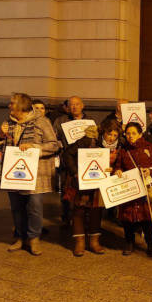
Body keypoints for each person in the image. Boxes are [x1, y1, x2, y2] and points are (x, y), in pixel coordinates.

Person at [0, 93, 58, 256]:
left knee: (34, 207)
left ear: (21, 106)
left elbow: (54, 145)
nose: (9, 106)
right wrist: (0, 136)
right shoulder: (8, 122)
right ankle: (20, 237)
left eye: (12, 103)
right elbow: (0, 145)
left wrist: (34, 147)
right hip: (14, 171)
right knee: (16, 207)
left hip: (35, 174)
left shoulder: (42, 122)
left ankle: (34, 238)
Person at [114, 122, 152, 256]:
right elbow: (118, 165)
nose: (130, 136)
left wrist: (151, 170)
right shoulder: (124, 149)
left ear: (140, 134)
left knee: (147, 217)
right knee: (127, 217)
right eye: (128, 133)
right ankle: (129, 242)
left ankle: (151, 244)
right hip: (130, 187)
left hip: (146, 186)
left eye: (134, 133)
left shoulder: (149, 147)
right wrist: (118, 170)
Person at [62, 126, 108, 257]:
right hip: (81, 183)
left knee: (95, 211)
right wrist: (75, 172)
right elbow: (67, 154)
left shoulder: (101, 145)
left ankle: (94, 241)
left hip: (96, 182)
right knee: (79, 212)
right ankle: (80, 242)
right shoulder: (81, 143)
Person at [53, 96, 90, 226]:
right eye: (71, 105)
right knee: (66, 189)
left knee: (84, 189)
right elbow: (54, 137)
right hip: (67, 160)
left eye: (77, 104)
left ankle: (82, 217)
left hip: (85, 160)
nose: (74, 107)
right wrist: (58, 145)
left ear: (83, 105)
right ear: (67, 107)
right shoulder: (60, 121)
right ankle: (66, 217)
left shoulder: (90, 122)